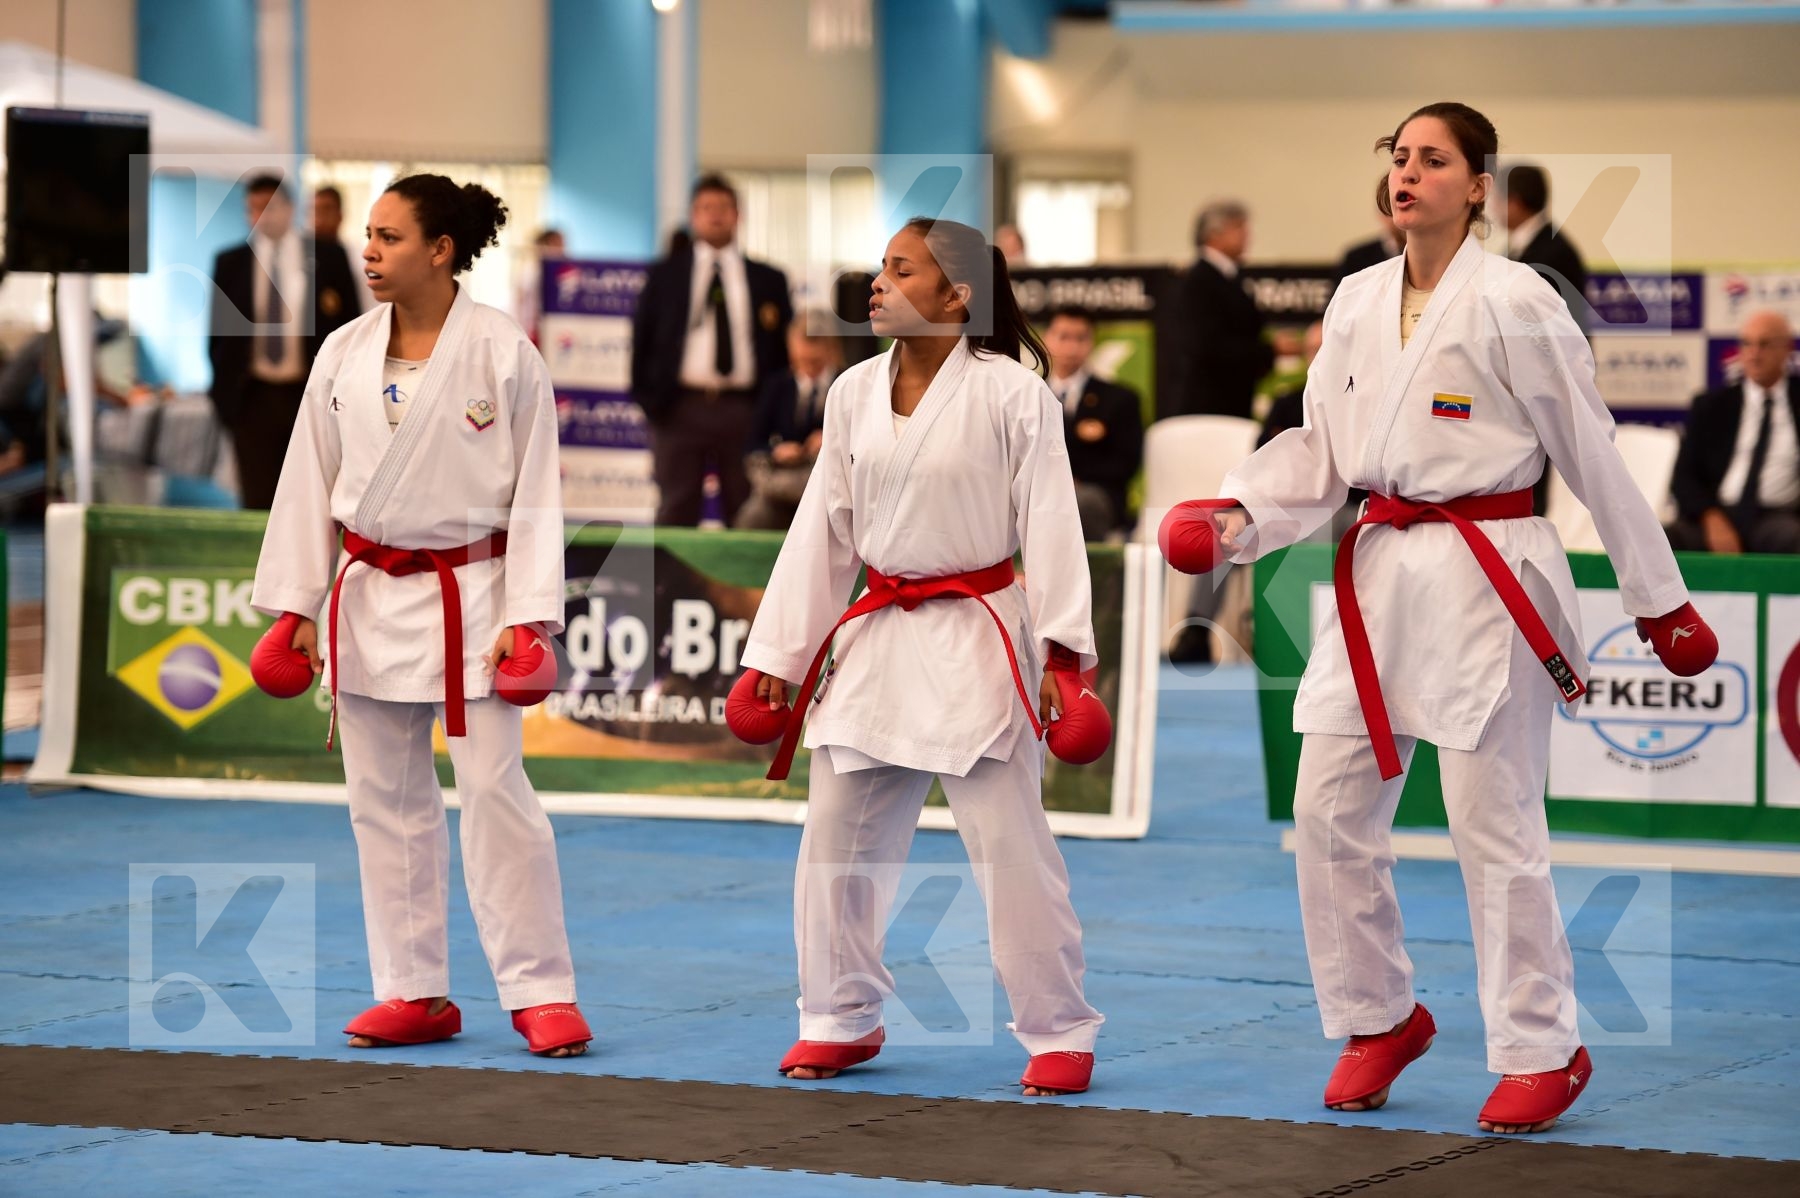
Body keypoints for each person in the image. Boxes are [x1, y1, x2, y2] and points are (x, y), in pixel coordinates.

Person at [1159, 102, 1716, 1135]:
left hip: (1488, 572)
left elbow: (1590, 451)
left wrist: (1660, 597)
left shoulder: (1518, 302)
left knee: (1490, 823)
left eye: (1434, 159)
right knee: (1327, 810)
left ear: (1479, 190)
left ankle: (1542, 1044)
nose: (1409, 173)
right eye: (1399, 158)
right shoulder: (1358, 299)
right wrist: (1237, 514)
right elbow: (1322, 448)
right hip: (1377, 575)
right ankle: (1378, 1015)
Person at [732, 217, 1108, 1097]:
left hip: (977, 631)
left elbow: (1053, 527)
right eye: (880, 269)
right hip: (876, 629)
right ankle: (837, 1014)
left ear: (957, 293)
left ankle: (1057, 1025)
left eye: (902, 271)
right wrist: (779, 655)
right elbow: (822, 530)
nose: (878, 283)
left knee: (1008, 843)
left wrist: (1065, 659)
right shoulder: (853, 392)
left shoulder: (1015, 396)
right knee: (835, 833)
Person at [250, 174, 591, 1058]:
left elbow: (539, 495)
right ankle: (413, 990)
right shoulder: (342, 352)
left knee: (493, 793)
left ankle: (540, 989)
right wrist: (294, 603)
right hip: (366, 593)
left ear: (440, 251)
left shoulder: (504, 352)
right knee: (384, 802)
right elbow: (306, 485)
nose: (369, 251)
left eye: (390, 237)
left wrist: (531, 616)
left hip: (471, 601)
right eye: (368, 235)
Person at [631, 175, 793, 526]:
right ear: (693, 216)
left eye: (723, 207)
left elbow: (783, 350)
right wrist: (652, 402)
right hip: (679, 408)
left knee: (748, 509)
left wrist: (772, 408)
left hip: (745, 410)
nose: (715, 215)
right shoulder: (665, 275)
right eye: (706, 208)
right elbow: (641, 342)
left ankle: (746, 584)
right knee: (676, 506)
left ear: (738, 215)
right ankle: (671, 583)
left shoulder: (768, 278)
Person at [209, 174, 363, 509]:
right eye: (255, 207)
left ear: (289, 208)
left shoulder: (328, 256)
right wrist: (224, 398)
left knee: (311, 497)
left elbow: (352, 326)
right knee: (257, 499)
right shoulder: (231, 262)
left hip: (309, 393)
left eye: (271, 206)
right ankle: (257, 563)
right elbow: (217, 338)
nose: (263, 215)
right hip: (253, 398)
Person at [1666, 310, 1800, 554]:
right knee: (1665, 538)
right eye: (1747, 344)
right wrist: (1711, 518)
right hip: (1717, 512)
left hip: (1778, 517)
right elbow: (1683, 478)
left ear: (1787, 349)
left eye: (1765, 344)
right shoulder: (1711, 405)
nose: (1754, 354)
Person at [1043, 304, 1143, 540]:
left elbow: (1126, 463)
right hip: (1037, 490)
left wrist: (1072, 481)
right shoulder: (1028, 394)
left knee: (1075, 504)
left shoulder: (1120, 398)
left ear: (1092, 342)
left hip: (1097, 496)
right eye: (1064, 336)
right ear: (1046, 338)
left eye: (1081, 338)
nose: (1072, 346)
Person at [737, 313, 842, 531]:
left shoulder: (848, 383)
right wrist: (776, 451)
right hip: (784, 485)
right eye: (801, 362)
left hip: (834, 487)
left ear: (831, 350)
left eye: (815, 362)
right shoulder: (777, 386)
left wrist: (833, 439)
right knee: (753, 517)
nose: (808, 369)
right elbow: (753, 444)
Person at [1171, 200, 1274, 419]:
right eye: (1239, 228)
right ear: (1214, 234)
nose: (1247, 235)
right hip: (1210, 403)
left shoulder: (1230, 276)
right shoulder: (1199, 281)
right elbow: (1206, 345)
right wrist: (1269, 351)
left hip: (1233, 398)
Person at [1504, 164, 1589, 331]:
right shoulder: (1523, 244)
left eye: (1496, 199)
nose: (1491, 208)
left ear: (1515, 202)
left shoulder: (1553, 252)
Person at [316, 185, 376, 314]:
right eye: (315, 210)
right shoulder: (301, 258)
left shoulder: (358, 257)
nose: (319, 217)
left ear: (340, 214)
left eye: (326, 209)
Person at [1333, 206, 1403, 290]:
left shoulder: (1419, 256)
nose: (1398, 219)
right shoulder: (1355, 258)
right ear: (1382, 215)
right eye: (1390, 212)